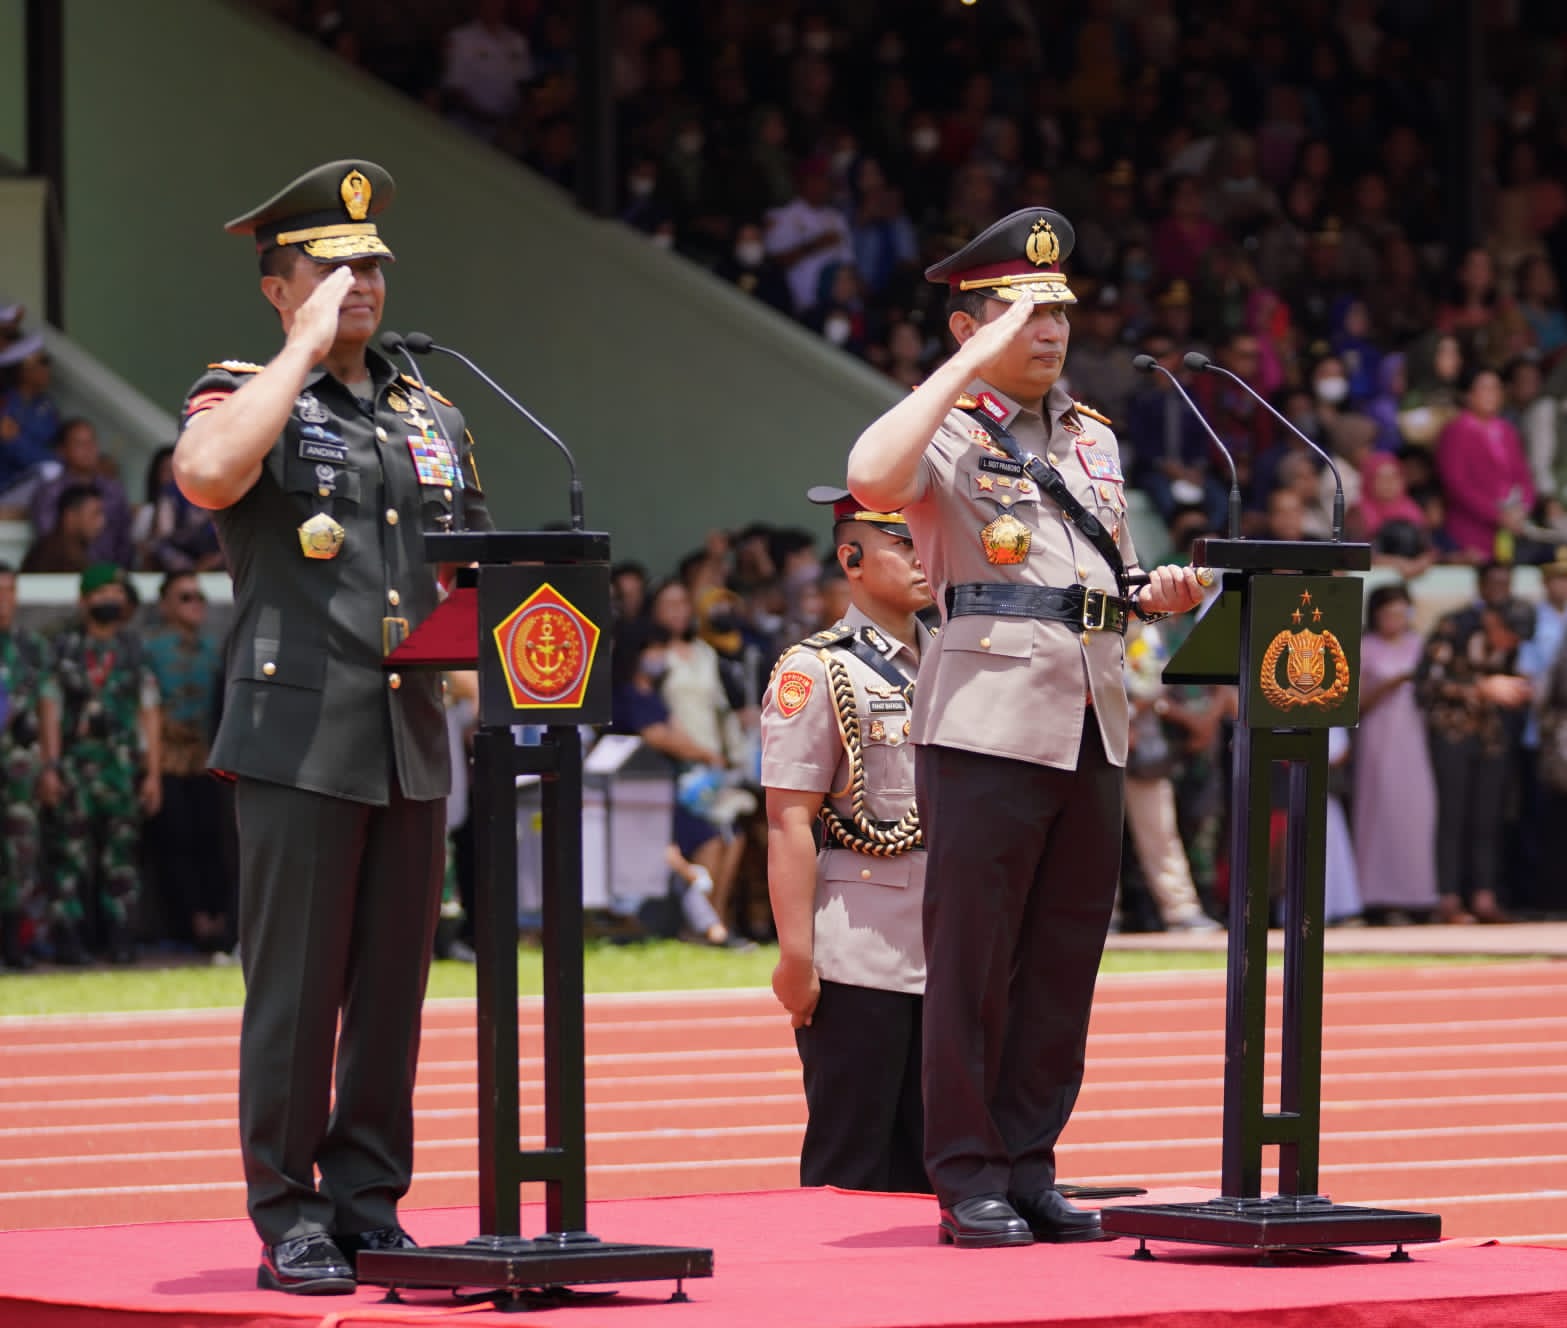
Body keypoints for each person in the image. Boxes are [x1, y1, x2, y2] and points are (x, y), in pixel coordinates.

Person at [846, 208, 1205, 1248]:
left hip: (1092, 715)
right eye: (1020, 313)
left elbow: (1101, 576)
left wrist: (1154, 594)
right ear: (968, 327)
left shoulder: (1092, 435)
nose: (1048, 330)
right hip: (985, 721)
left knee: (1060, 961)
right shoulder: (945, 426)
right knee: (973, 961)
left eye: (1057, 312)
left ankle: (1030, 1160)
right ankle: (967, 1173)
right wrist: (963, 371)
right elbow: (870, 478)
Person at [171, 159, 492, 1294]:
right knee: (299, 992)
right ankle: (289, 1213)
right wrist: (302, 350)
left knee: (392, 994)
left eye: (371, 266)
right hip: (299, 734)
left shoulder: (430, 412)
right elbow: (207, 476)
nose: (360, 284)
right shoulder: (241, 393)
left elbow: (475, 569)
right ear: (277, 288)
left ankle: (367, 1202)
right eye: (330, 268)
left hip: (409, 735)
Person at [761, 485, 937, 1193]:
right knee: (851, 1163)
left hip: (953, 946)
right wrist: (797, 958)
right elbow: (788, 819)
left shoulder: (955, 659)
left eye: (928, 541)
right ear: (852, 560)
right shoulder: (817, 669)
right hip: (862, 950)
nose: (924, 557)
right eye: (904, 544)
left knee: (941, 1167)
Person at [47, 562, 161, 964]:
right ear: (84, 601)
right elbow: (50, 706)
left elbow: (149, 711)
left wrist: (153, 774)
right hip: (75, 768)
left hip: (121, 769)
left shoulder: (133, 651)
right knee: (70, 855)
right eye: (101, 594)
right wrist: (51, 765)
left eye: (115, 594)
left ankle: (120, 936)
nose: (110, 600)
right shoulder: (65, 649)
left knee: (121, 858)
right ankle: (70, 938)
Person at [142, 571, 227, 950]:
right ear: (165, 605)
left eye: (199, 597)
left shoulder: (214, 649)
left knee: (212, 839)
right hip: (167, 761)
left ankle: (216, 920)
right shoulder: (151, 649)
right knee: (175, 842)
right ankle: (187, 926)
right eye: (185, 597)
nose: (195, 605)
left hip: (207, 759)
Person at [0, 562, 62, 969]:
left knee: (20, 854)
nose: (4, 601)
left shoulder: (31, 646)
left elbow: (48, 705)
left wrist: (51, 765)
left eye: (9, 591)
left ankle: (14, 943)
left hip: (20, 769)